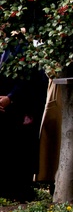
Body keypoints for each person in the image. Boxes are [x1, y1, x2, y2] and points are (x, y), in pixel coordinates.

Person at [0, 44, 47, 202]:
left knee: (20, 152)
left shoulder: (25, 49)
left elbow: (32, 81)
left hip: (21, 109)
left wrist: (10, 98)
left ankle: (20, 193)